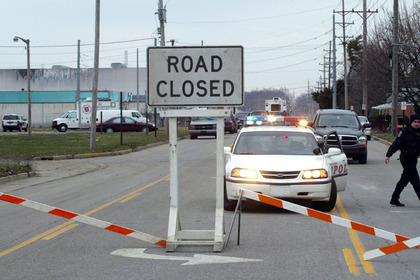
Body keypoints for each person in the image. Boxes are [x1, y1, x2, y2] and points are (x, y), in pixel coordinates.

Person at [385, 114, 420, 206]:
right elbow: (396, 144)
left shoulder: (418, 132)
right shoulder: (405, 132)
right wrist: (388, 155)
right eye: (415, 122)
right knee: (415, 180)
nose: (417, 124)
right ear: (411, 122)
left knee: (404, 179)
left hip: (414, 158)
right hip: (406, 158)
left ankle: (394, 198)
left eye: (418, 122)